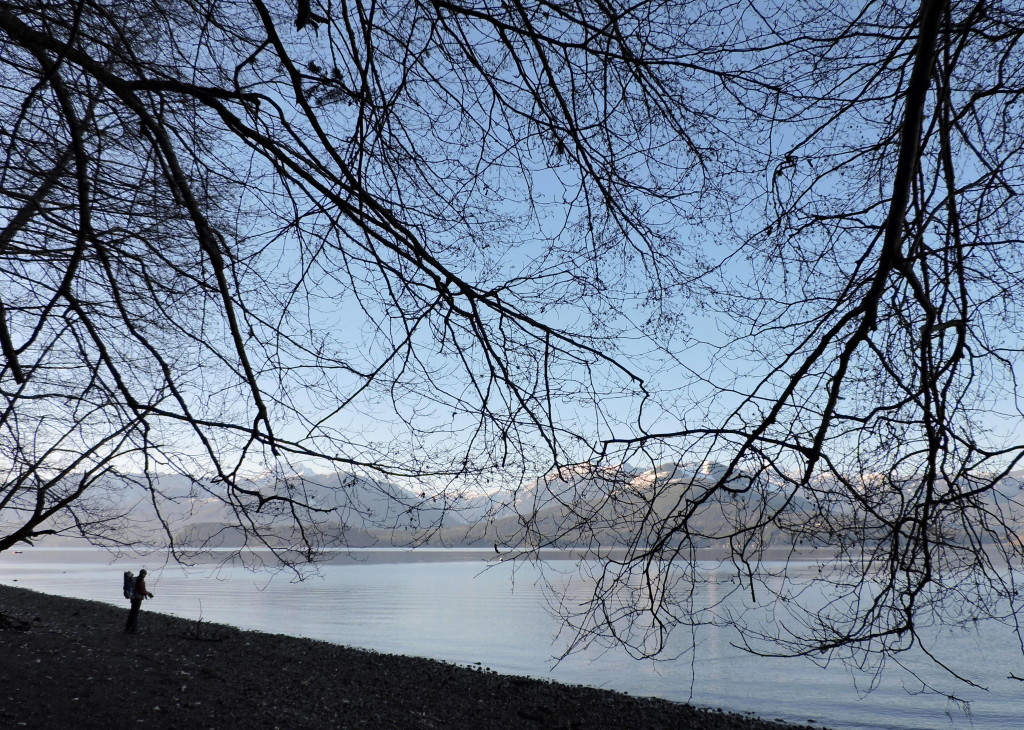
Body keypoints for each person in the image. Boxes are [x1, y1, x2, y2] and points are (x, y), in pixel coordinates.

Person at [124, 569, 155, 633]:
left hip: (133, 598)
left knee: (132, 613)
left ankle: (127, 628)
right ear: (142, 573)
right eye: (145, 574)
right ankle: (133, 629)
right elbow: (142, 590)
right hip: (137, 599)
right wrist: (148, 594)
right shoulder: (140, 580)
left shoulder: (135, 579)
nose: (145, 575)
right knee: (135, 614)